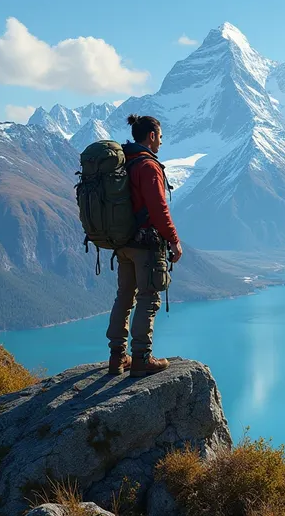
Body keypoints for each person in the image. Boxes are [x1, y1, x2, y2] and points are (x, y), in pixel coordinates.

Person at [106, 114, 183, 377]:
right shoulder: (148, 166)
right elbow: (159, 209)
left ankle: (117, 358)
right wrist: (173, 239)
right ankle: (141, 358)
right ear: (151, 136)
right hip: (145, 244)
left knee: (124, 297)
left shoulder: (122, 162)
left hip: (122, 241)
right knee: (148, 298)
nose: (161, 141)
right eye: (160, 136)